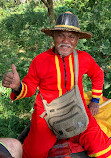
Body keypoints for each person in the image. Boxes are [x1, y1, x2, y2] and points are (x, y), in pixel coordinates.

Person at [2, 11, 111, 158]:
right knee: (34, 153)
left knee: (101, 148)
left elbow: (97, 74)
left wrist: (96, 101)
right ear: (54, 37)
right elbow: (30, 87)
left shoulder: (84, 58)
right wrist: (17, 86)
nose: (65, 40)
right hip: (46, 114)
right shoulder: (40, 60)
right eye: (61, 35)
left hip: (76, 109)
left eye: (71, 36)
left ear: (77, 39)